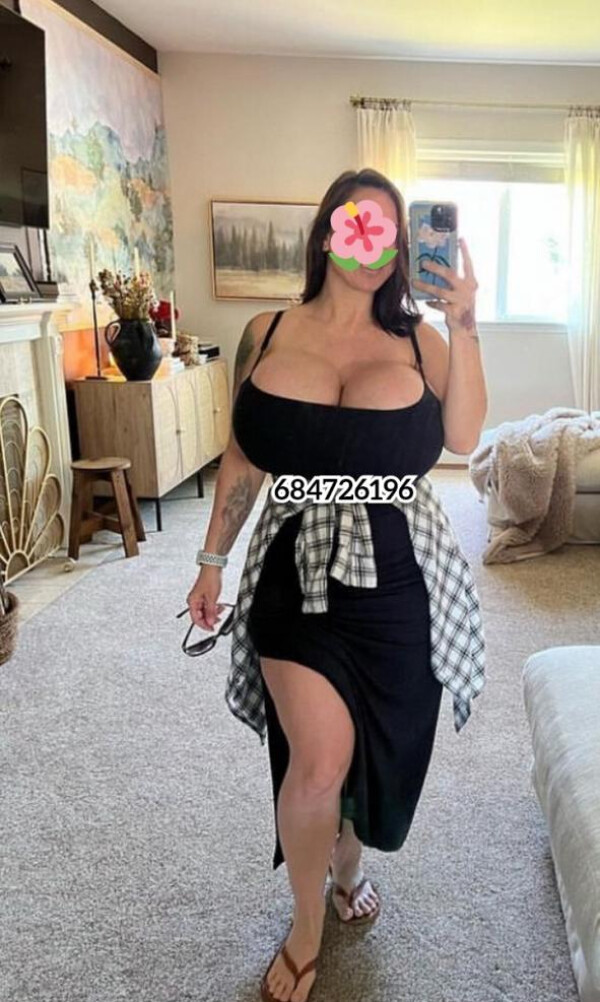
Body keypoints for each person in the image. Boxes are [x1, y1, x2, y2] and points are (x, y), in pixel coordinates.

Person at [186, 167, 488, 1002]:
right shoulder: (266, 332)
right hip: (296, 570)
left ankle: (346, 866)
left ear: (403, 246)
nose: (370, 244)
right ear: (327, 232)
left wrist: (464, 324)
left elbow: (465, 436)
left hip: (399, 578)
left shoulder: (422, 340)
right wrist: (212, 559)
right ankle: (305, 927)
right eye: (358, 224)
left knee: (371, 756)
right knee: (318, 760)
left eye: (388, 231)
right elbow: (244, 454)